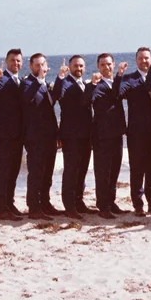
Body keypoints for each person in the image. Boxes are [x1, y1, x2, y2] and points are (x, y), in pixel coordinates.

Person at [116, 48, 151, 216]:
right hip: (136, 132)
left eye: (146, 58)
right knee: (137, 169)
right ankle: (138, 204)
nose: (144, 61)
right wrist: (119, 75)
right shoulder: (130, 79)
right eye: (141, 58)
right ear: (136, 61)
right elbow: (118, 93)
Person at [0, 48, 26, 220]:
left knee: (14, 170)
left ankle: (10, 203)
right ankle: (2, 209)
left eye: (18, 60)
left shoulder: (21, 81)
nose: (15, 63)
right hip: (5, 134)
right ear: (6, 61)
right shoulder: (1, 79)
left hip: (19, 134)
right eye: (12, 60)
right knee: (4, 172)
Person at [53, 56, 96, 219]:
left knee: (82, 170)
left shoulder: (83, 83)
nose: (79, 68)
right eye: (76, 66)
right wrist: (60, 76)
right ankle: (69, 206)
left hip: (86, 135)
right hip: (71, 136)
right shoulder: (65, 83)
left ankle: (79, 202)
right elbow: (57, 95)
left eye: (81, 66)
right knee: (71, 171)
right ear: (70, 67)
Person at [21, 53, 60, 220]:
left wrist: (60, 78)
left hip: (50, 136)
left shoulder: (45, 84)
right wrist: (38, 80)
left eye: (42, 64)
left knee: (47, 173)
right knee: (36, 173)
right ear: (31, 67)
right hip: (35, 138)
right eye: (36, 65)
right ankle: (34, 207)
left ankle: (45, 203)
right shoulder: (26, 83)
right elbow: (26, 98)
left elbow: (51, 107)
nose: (40, 68)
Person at [90, 53, 128, 218]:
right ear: (98, 67)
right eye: (102, 65)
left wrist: (119, 76)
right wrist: (92, 85)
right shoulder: (98, 85)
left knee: (114, 171)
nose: (106, 67)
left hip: (116, 134)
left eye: (108, 64)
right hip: (102, 136)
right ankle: (103, 206)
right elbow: (95, 97)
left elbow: (118, 93)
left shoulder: (116, 83)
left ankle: (111, 202)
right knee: (103, 172)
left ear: (113, 64)